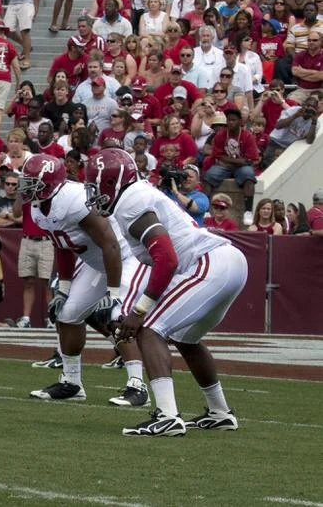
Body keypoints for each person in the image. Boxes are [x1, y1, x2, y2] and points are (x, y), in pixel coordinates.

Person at [87, 148, 248, 436]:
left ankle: (167, 415)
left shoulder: (130, 202)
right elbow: (160, 264)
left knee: (149, 329)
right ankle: (220, 411)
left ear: (111, 183)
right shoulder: (138, 195)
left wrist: (138, 313)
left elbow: (167, 259)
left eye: (96, 185)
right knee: (186, 338)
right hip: (225, 261)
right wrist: (134, 307)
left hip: (208, 262)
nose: (93, 193)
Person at [19, 155, 149, 408]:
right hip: (97, 262)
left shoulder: (74, 198)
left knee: (116, 314)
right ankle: (72, 382)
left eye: (32, 182)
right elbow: (63, 246)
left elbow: (110, 243)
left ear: (49, 182)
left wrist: (112, 293)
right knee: (67, 313)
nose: (26, 187)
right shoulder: (39, 207)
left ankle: (138, 386)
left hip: (125, 258)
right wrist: (63, 288)